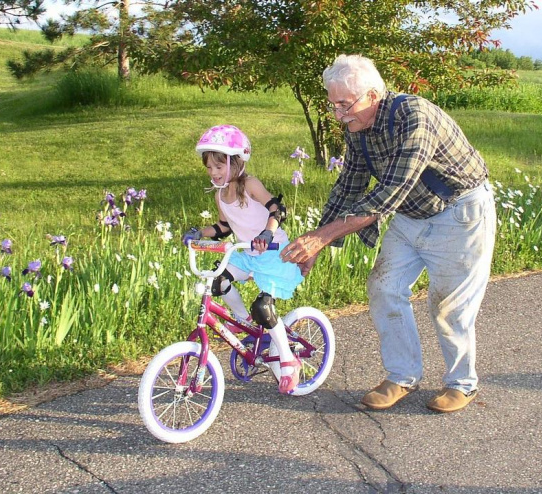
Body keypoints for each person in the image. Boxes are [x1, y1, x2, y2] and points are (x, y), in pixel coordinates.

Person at [280, 54, 496, 413]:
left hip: (459, 213)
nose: (338, 114)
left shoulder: (415, 116)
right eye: (333, 105)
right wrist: (317, 242)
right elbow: (349, 186)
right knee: (383, 287)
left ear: (372, 95)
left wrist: (323, 237)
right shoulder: (357, 129)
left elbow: (389, 193)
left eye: (344, 105)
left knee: (449, 307)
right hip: (412, 214)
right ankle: (402, 376)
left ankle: (462, 383)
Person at [182, 124, 305, 394]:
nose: (213, 173)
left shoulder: (250, 185)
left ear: (236, 162)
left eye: (219, 166)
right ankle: (243, 320)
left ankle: (288, 360)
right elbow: (224, 228)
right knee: (218, 283)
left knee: (264, 307)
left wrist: (266, 234)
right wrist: (198, 232)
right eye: (209, 168)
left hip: (273, 253)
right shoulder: (220, 195)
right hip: (247, 254)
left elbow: (277, 209)